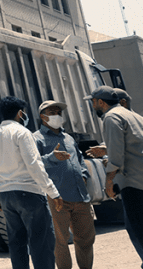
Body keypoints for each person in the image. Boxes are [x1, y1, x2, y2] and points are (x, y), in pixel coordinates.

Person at [0, 96, 63, 269]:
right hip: (29, 193)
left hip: (6, 195)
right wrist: (53, 192)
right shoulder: (22, 133)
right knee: (41, 242)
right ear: (20, 113)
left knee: (16, 242)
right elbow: (34, 165)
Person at [87, 85, 143, 267]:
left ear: (101, 102)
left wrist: (108, 182)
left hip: (133, 184)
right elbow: (135, 145)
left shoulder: (111, 117)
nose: (93, 106)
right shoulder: (137, 117)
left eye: (93, 102)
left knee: (141, 232)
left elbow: (116, 155)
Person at [33, 99, 94, 269]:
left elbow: (79, 159)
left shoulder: (68, 137)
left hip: (80, 196)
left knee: (86, 239)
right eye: (52, 113)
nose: (57, 115)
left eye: (59, 112)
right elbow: (33, 165)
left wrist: (83, 175)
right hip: (57, 199)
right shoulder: (36, 139)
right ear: (43, 117)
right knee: (60, 241)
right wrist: (52, 157)